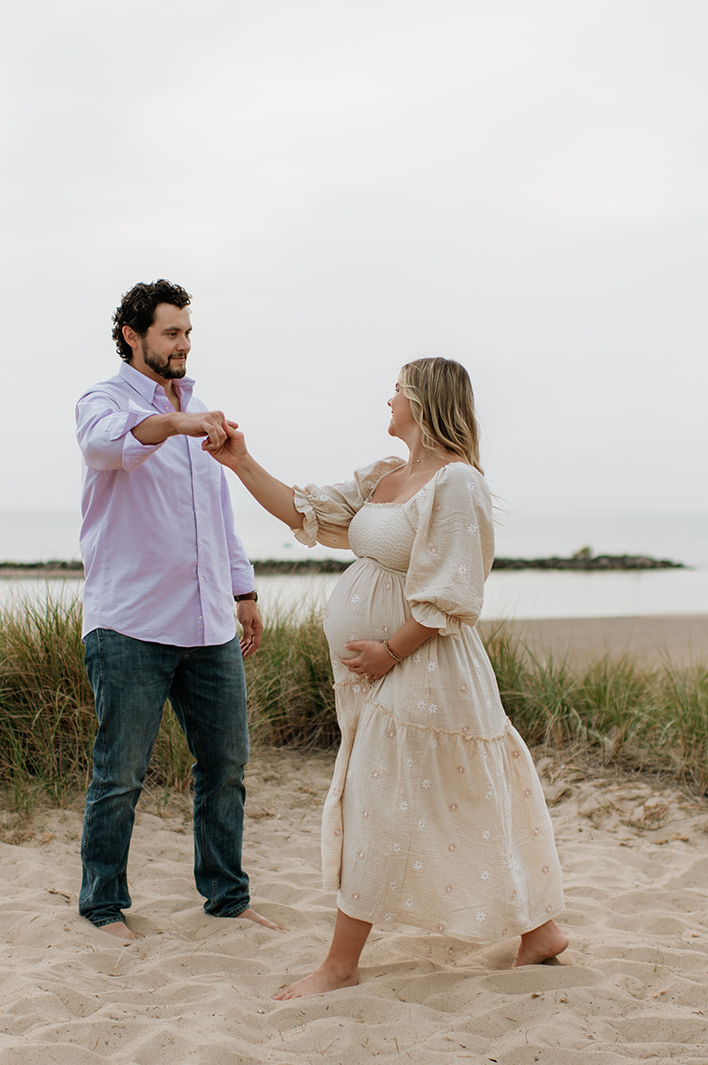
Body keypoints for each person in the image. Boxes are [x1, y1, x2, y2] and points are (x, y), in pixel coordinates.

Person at [211, 356, 567, 997]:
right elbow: (304, 511)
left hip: (425, 667)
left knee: (376, 802)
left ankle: (340, 965)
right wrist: (240, 461)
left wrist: (390, 652)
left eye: (397, 390)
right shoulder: (388, 478)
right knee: (462, 798)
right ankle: (538, 931)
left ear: (424, 402)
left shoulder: (456, 484)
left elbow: (456, 590)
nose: (387, 401)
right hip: (383, 672)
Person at [74, 279, 284, 941]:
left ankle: (227, 897)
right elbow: (109, 447)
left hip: (207, 624)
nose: (183, 344)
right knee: (121, 771)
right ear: (133, 336)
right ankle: (102, 903)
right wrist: (176, 423)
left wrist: (243, 592)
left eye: (188, 332)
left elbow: (215, 519)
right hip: (130, 622)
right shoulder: (102, 402)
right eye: (171, 332)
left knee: (226, 765)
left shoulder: (199, 416)